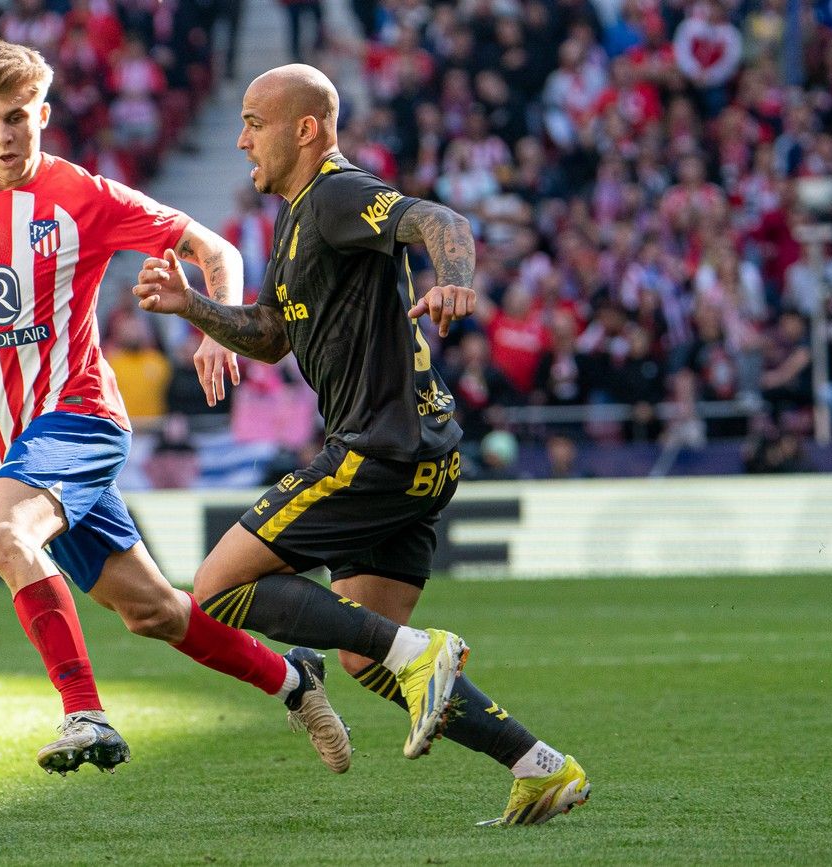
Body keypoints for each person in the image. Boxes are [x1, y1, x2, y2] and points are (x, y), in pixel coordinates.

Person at [0, 40, 349, 776]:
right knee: (155, 611)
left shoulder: (84, 195)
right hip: (18, 450)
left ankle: (83, 710)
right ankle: (294, 680)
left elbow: (214, 247)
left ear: (42, 114)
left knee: (2, 529)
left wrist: (217, 326)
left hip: (79, 417)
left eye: (18, 118)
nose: (6, 136)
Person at [135, 63, 591, 827]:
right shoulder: (298, 217)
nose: (243, 137)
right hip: (424, 455)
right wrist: (194, 306)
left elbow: (441, 222)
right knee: (364, 654)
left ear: (305, 129)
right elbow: (274, 337)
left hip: (376, 450)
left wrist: (454, 280)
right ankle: (538, 765)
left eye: (255, 120)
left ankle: (422, 651)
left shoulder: (339, 193)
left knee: (215, 590)